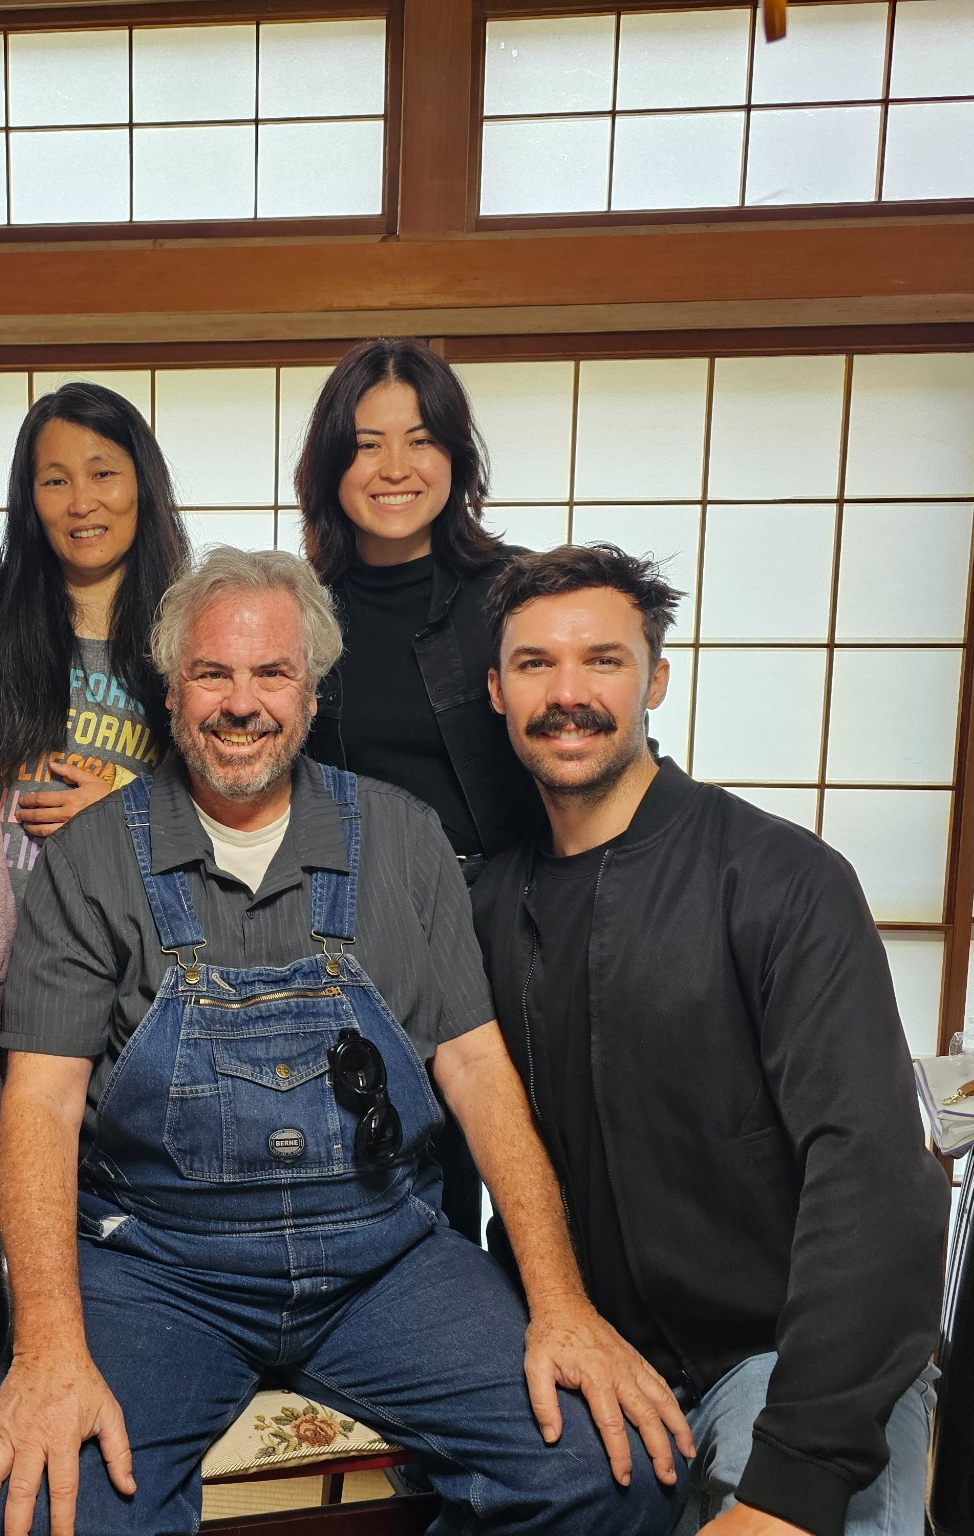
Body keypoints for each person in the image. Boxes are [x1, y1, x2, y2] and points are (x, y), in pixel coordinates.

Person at [0, 548, 690, 1536]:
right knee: (44, 1510)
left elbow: (473, 1070)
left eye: (272, 674)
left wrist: (559, 1304)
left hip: (382, 1256)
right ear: (170, 692)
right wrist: (47, 1349)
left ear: (310, 692)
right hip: (159, 1266)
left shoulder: (401, 837)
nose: (239, 703)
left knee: (610, 1469)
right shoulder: (89, 857)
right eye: (212, 673)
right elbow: (38, 1105)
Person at [471, 543, 948, 1536]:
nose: (568, 694)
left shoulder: (780, 881)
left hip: (787, 1361)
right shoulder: (484, 904)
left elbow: (872, 1176)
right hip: (589, 1360)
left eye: (601, 660)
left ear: (656, 677)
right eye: (533, 665)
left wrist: (795, 1479)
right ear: (494, 690)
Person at [295, 335, 545, 1244]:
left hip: (512, 918)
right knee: (401, 1178)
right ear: (331, 463)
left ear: (456, 456)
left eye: (421, 439)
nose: (394, 468)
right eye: (366, 443)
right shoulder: (306, 607)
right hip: (366, 926)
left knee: (528, 1170)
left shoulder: (516, 593)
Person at [0, 382, 191, 899]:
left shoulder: (191, 630)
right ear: (31, 499)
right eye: (55, 481)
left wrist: (127, 809)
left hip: (128, 943)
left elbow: (236, 803)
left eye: (103, 473)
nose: (82, 503)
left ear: (143, 484)